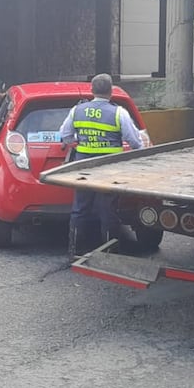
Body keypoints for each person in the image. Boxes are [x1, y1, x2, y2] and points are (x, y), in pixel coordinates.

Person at [59, 74, 147, 259]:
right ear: (111, 91)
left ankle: (75, 250)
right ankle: (109, 253)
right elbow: (134, 141)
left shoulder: (77, 110)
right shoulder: (118, 112)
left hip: (84, 166)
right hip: (109, 167)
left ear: (92, 90)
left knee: (80, 208)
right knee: (108, 210)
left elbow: (65, 135)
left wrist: (79, 142)